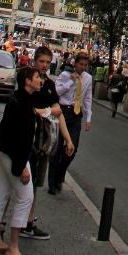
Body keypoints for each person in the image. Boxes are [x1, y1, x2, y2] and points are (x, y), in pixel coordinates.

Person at [0, 67, 42, 255]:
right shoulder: (22, 104)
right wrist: (21, 167)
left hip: (6, 153)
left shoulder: (19, 99)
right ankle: (13, 247)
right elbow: (19, 139)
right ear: (28, 81)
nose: (40, 80)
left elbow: (3, 133)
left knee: (2, 194)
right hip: (15, 157)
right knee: (26, 197)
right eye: (37, 77)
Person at [20, 46, 75, 240]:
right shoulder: (28, 80)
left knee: (35, 183)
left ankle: (28, 222)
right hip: (26, 138)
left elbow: (58, 113)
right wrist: (47, 111)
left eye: (47, 62)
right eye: (41, 61)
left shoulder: (50, 85)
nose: (44, 65)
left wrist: (68, 139)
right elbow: (25, 107)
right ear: (34, 61)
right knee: (20, 182)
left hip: (43, 142)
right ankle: (9, 222)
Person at [48, 52, 92, 195]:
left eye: (85, 65)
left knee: (72, 149)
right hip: (62, 112)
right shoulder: (65, 75)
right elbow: (57, 92)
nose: (83, 67)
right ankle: (52, 184)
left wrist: (88, 118)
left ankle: (60, 174)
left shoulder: (88, 78)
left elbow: (87, 98)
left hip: (76, 114)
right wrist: (71, 81)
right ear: (75, 63)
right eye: (81, 64)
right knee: (57, 148)